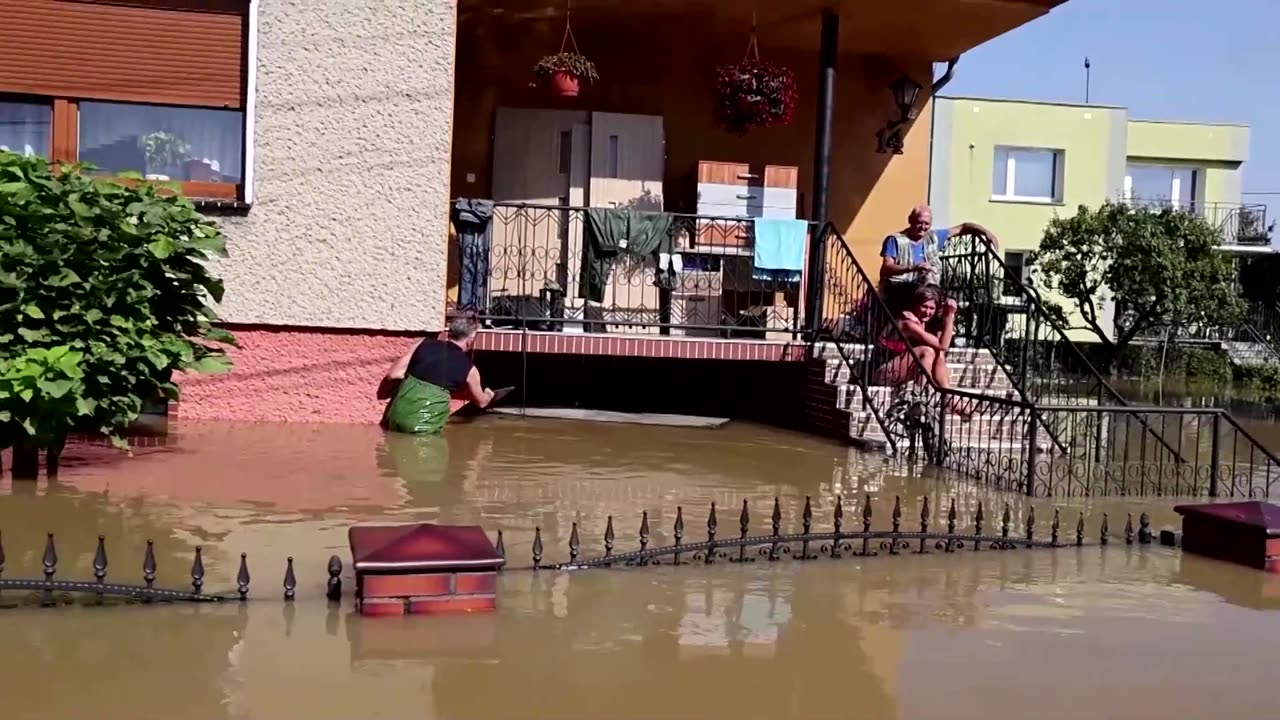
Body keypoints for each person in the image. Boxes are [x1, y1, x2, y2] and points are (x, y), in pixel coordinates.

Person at [378, 314, 495, 434]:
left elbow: (393, 374)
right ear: (470, 340)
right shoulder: (470, 369)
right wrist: (489, 394)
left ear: (450, 333)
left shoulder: (423, 343)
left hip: (395, 417)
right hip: (425, 428)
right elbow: (481, 402)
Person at [871, 285, 974, 416]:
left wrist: (946, 314)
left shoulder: (924, 322)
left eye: (932, 308)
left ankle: (947, 395)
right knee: (927, 351)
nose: (927, 312)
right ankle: (919, 397)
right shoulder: (908, 323)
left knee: (938, 353)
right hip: (881, 373)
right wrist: (950, 317)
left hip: (898, 370)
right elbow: (943, 344)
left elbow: (941, 347)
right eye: (924, 306)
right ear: (914, 305)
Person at [879, 205, 999, 313]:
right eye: (919, 223)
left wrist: (986, 232)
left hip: (927, 292)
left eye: (927, 224)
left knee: (943, 304)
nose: (923, 227)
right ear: (910, 221)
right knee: (923, 296)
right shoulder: (895, 240)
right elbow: (886, 268)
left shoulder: (933, 237)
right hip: (899, 290)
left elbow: (963, 227)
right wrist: (912, 268)